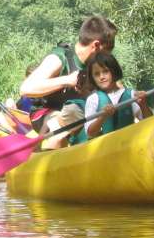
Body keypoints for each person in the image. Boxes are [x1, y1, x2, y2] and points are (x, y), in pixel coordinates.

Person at [19, 15, 117, 148]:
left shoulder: (95, 64)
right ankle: (45, 153)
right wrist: (67, 80)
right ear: (96, 45)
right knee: (75, 111)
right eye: (107, 51)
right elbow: (26, 88)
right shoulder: (59, 57)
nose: (108, 56)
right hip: (45, 115)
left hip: (76, 115)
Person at [84, 52, 152, 138]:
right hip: (106, 148)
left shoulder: (131, 95)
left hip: (129, 144)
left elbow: (150, 122)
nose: (101, 77)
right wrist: (102, 117)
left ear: (114, 71)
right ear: (92, 78)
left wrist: (143, 105)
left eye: (105, 71)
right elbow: (90, 133)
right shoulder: (93, 99)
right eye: (97, 74)